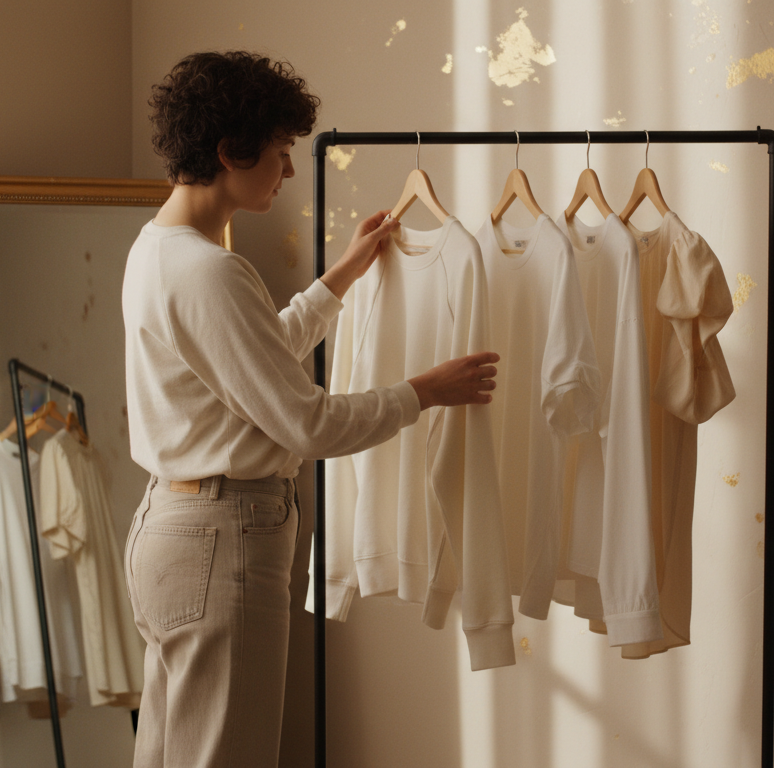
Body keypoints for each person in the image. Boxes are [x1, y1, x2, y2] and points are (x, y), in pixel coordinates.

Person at [121, 50, 498, 767]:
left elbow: (252, 363)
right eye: (281, 151)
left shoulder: (157, 250)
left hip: (174, 529)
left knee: (175, 754)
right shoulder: (212, 272)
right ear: (232, 150)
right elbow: (307, 424)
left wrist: (341, 276)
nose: (289, 171)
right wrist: (424, 391)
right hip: (221, 537)